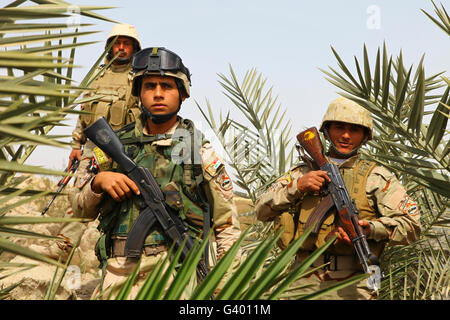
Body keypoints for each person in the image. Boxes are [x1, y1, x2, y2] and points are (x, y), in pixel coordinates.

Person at [71, 47, 242, 299]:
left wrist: (222, 286)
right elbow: (78, 209)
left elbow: (227, 226)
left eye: (167, 86)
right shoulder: (112, 147)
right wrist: (98, 182)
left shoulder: (197, 151)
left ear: (182, 94)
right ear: (138, 92)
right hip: (118, 276)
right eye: (150, 86)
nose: (158, 94)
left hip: (176, 275)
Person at [254, 96, 421, 300]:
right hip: (302, 279)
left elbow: (412, 226)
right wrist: (296, 188)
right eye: (339, 127)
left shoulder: (377, 178)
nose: (345, 135)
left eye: (354, 130)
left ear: (365, 137)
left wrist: (369, 228)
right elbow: (260, 211)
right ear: (326, 131)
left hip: (355, 283)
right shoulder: (301, 173)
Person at [32, 23, 142, 263]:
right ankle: (63, 248)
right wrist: (75, 145)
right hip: (94, 150)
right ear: (109, 47)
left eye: (126, 43)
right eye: (117, 43)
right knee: (80, 197)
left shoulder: (140, 77)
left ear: (134, 47)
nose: (121, 48)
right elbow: (84, 113)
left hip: (126, 150)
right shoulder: (97, 76)